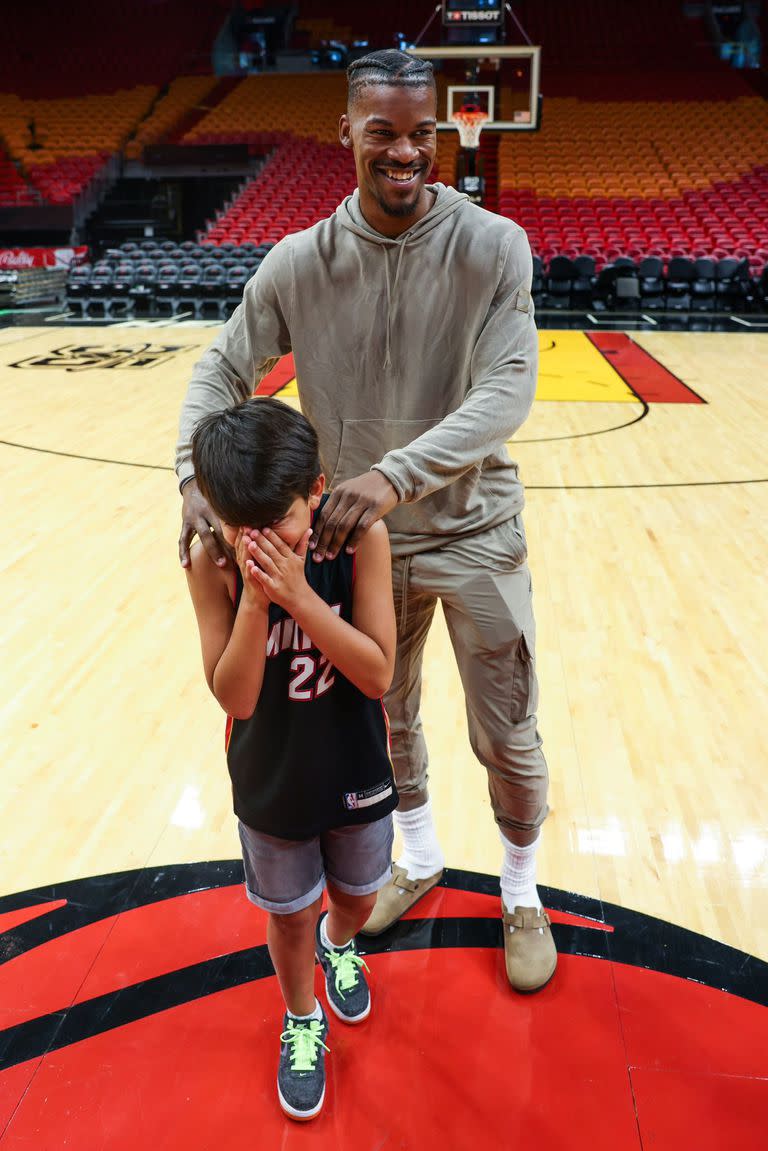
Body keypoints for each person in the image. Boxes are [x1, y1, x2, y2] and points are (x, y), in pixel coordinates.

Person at [176, 49, 557, 994]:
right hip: (355, 541)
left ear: (442, 132)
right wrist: (193, 475)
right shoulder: (300, 261)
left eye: (421, 133)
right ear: (345, 131)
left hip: (468, 529)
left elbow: (510, 389)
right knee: (386, 720)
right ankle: (418, 856)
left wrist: (392, 475)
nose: (405, 152)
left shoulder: (495, 246)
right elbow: (220, 371)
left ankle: (520, 888)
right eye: (382, 132)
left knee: (506, 728)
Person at [185, 397, 397, 1121]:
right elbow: (235, 698)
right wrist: (253, 601)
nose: (259, 543)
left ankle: (343, 945)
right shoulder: (210, 560)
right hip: (270, 767)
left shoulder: (361, 537)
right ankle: (302, 1016)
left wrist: (300, 598)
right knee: (289, 913)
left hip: (353, 757)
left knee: (358, 897)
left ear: (317, 490)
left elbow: (377, 675)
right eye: (239, 528)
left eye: (277, 525)